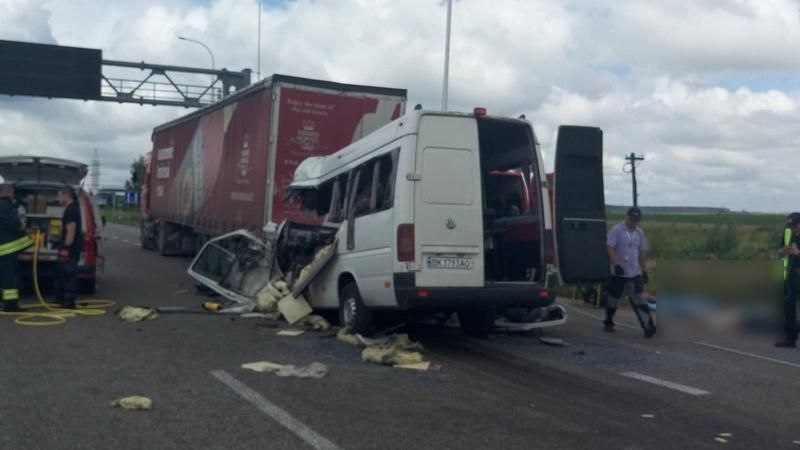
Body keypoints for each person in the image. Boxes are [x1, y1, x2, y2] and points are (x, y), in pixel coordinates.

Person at [604, 207, 656, 337]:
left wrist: (644, 271)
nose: (634, 223)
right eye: (632, 219)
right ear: (627, 217)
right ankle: (608, 321)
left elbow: (642, 252)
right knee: (613, 299)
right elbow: (609, 247)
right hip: (619, 273)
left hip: (634, 273)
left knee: (639, 299)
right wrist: (616, 264)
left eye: (636, 220)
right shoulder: (617, 230)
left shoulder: (639, 233)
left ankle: (649, 327)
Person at [0, 183, 33, 312]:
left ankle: (4, 303)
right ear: (9, 192)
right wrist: (25, 222)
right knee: (10, 279)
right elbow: (16, 225)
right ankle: (10, 305)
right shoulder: (6, 206)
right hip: (7, 250)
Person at [55, 187, 83, 309]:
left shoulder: (71, 210)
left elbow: (71, 230)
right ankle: (61, 299)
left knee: (69, 274)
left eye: (59, 196)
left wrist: (66, 247)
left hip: (70, 249)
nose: (58, 199)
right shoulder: (72, 208)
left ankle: (69, 301)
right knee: (62, 273)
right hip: (70, 248)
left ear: (67, 196)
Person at [776, 212, 800, 348]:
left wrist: (798, 253)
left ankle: (795, 330)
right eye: (791, 226)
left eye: (796, 225)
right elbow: (779, 253)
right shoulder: (788, 234)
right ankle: (790, 339)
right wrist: (784, 251)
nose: (794, 228)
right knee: (788, 309)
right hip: (791, 277)